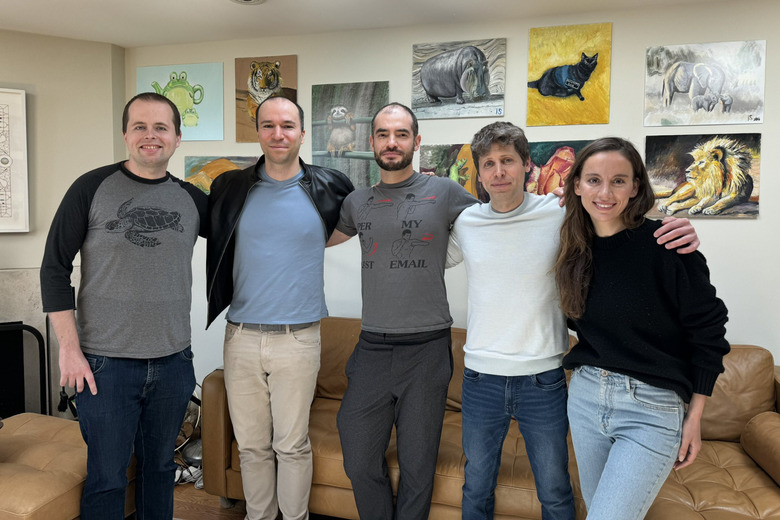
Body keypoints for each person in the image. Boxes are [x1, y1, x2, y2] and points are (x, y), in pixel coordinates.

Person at [446, 123, 701, 520]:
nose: (499, 172)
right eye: (489, 164)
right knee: (476, 484)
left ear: (527, 166)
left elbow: (614, 201)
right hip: (479, 379)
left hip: (544, 378)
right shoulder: (466, 223)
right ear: (479, 173)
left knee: (554, 488)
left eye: (508, 161)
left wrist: (671, 221)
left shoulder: (558, 211)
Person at [40, 92, 207, 520]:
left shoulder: (190, 199)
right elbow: (54, 269)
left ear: (177, 138)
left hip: (173, 362)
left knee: (160, 469)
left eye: (161, 128)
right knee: (108, 477)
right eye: (140, 127)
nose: (150, 136)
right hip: (104, 367)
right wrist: (69, 349)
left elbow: (246, 229)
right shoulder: (92, 187)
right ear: (125, 134)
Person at [554, 137, 730, 520]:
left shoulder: (668, 245)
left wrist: (695, 417)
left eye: (619, 180)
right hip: (584, 398)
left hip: (651, 409)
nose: (605, 192)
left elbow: (709, 332)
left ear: (636, 187)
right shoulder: (572, 249)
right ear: (577, 185)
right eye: (594, 180)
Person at [327, 102, 478, 520]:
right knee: (357, 454)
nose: (392, 142)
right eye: (383, 134)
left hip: (428, 350)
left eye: (401, 134)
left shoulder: (444, 191)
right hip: (372, 348)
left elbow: (497, 219)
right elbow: (316, 241)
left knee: (417, 464)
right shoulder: (357, 202)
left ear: (416, 141)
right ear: (372, 141)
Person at [206, 95, 354, 520]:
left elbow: (349, 227)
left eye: (287, 125)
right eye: (268, 125)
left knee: (291, 445)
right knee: (252, 446)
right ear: (258, 133)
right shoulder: (231, 187)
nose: (278, 133)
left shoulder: (330, 186)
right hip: (242, 337)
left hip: (299, 338)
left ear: (302, 133)